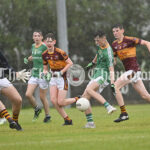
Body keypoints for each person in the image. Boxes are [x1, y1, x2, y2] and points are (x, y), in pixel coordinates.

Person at [112, 23, 150, 122]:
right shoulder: (114, 45)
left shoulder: (130, 40)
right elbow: (114, 61)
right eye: (113, 31)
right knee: (145, 96)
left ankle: (124, 114)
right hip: (131, 72)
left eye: (117, 30)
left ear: (122, 30)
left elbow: (147, 43)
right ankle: (124, 114)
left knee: (115, 87)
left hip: (134, 71)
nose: (115, 33)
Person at [80, 30, 117, 128]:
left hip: (104, 75)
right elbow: (98, 53)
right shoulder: (99, 45)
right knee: (84, 98)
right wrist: (92, 63)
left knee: (89, 90)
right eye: (95, 41)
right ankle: (90, 123)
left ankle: (108, 106)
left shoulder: (109, 52)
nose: (96, 43)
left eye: (98, 40)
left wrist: (112, 83)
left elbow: (111, 68)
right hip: (97, 73)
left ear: (104, 38)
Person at [42, 33, 75, 125]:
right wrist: (45, 73)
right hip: (53, 77)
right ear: (45, 42)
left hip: (62, 78)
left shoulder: (60, 52)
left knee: (60, 102)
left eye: (50, 41)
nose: (49, 43)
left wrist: (61, 72)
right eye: (47, 41)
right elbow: (45, 68)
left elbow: (70, 63)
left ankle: (78, 98)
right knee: (53, 100)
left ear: (54, 42)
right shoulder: (44, 54)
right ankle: (67, 120)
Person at [25, 30, 51, 123]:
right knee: (28, 94)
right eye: (34, 35)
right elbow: (34, 55)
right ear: (33, 37)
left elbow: (49, 57)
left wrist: (48, 72)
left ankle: (47, 116)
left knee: (42, 97)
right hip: (34, 73)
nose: (36, 37)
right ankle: (37, 109)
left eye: (38, 36)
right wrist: (27, 59)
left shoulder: (44, 46)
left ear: (41, 37)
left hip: (42, 74)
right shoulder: (33, 46)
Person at [0, 51, 30, 130]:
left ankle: (15, 122)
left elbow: (4, 65)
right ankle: (9, 120)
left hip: (1, 78)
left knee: (17, 100)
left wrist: (15, 74)